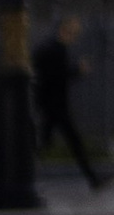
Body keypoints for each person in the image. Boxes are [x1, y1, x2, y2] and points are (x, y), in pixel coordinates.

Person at [30, 14, 106, 189]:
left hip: (51, 104)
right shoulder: (56, 49)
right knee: (67, 142)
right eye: (73, 31)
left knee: (47, 143)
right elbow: (58, 76)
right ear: (64, 30)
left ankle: (93, 179)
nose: (75, 35)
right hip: (55, 105)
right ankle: (93, 179)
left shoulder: (50, 48)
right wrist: (78, 70)